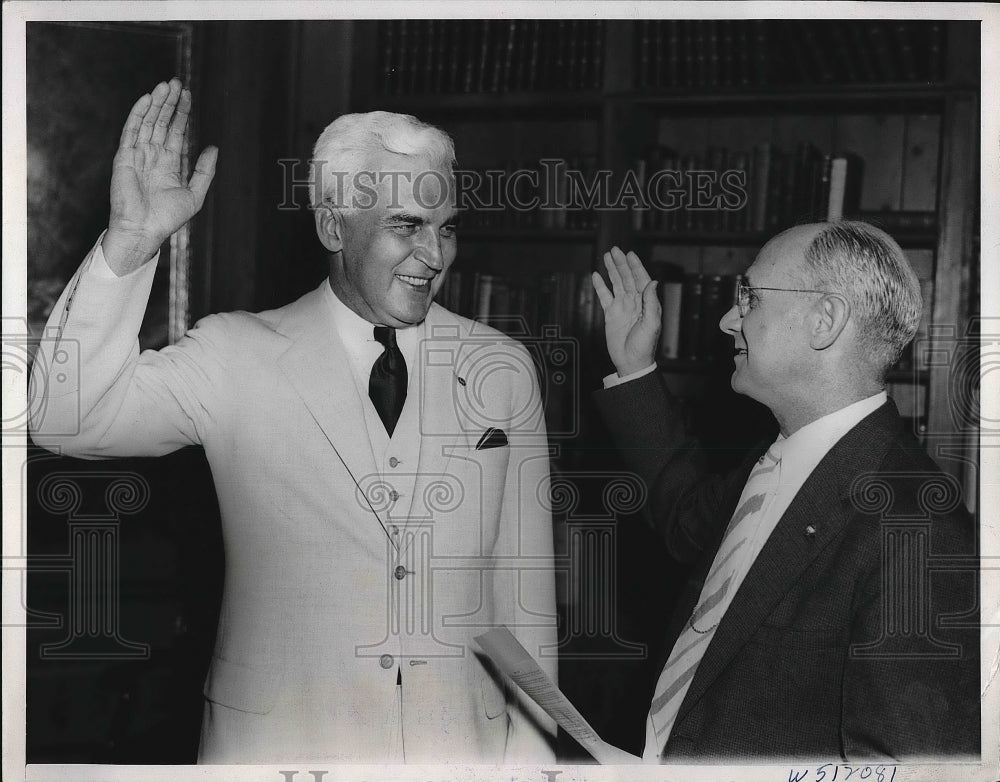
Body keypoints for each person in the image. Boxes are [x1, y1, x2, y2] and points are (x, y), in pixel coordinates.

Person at [28, 79, 557, 764]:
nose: (435, 255)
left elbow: (525, 601)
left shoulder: (502, 367)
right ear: (333, 227)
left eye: (446, 226)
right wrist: (132, 243)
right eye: (406, 226)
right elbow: (65, 419)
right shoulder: (235, 354)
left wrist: (530, 766)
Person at [591, 223, 978, 761]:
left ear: (825, 319)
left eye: (749, 297)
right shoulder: (778, 455)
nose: (728, 320)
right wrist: (634, 368)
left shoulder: (917, 530)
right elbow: (686, 520)